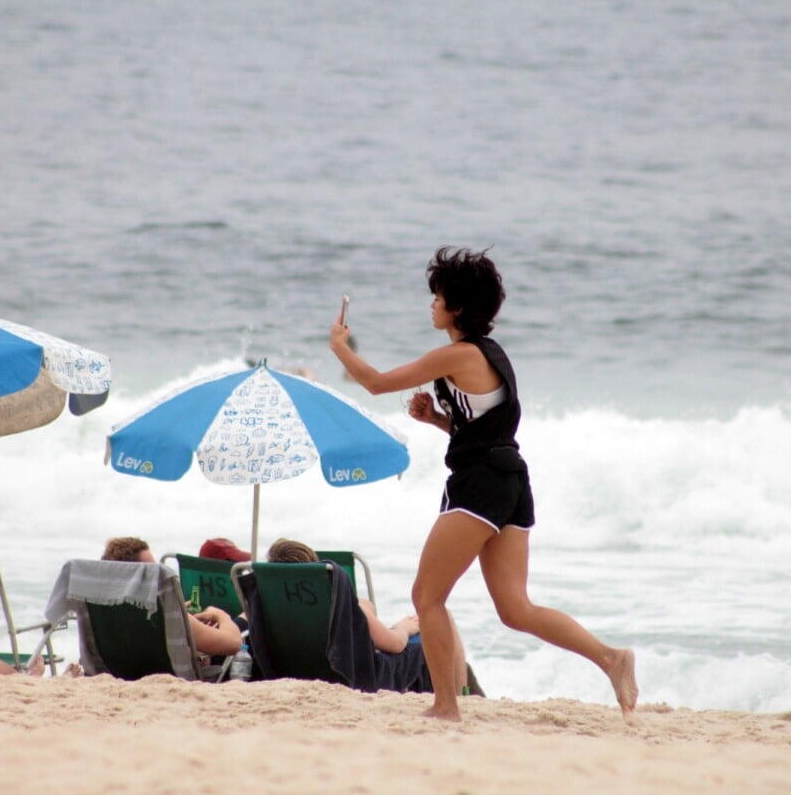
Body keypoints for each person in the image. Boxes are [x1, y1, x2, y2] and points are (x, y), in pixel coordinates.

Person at [330, 246, 639, 722]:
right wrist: (437, 419)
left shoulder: (457, 353)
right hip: (511, 480)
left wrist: (339, 347)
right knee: (516, 609)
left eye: (437, 296)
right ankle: (611, 658)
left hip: (478, 486)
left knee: (426, 599)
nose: (431, 304)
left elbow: (373, 383)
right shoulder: (491, 356)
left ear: (457, 307)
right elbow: (484, 431)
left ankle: (446, 706)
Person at [266, 538, 468, 693]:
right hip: (359, 677)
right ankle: (461, 697)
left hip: (295, 671)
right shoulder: (338, 604)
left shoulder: (267, 605)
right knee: (444, 620)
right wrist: (405, 627)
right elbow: (395, 644)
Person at [101, 537, 243, 657]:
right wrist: (222, 616)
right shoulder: (163, 612)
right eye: (153, 570)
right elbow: (233, 643)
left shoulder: (102, 610)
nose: (159, 574)